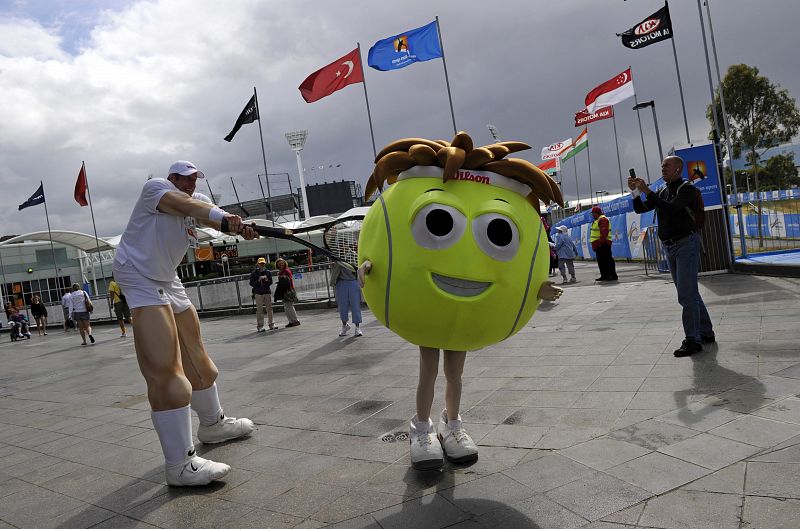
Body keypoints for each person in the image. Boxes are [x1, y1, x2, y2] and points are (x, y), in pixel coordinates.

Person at [112, 160, 257, 487]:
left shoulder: (197, 200)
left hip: (168, 277)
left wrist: (239, 226)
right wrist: (223, 218)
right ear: (172, 178)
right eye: (186, 178)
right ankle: (179, 464)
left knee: (197, 356)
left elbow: (211, 216)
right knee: (166, 368)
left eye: (195, 179)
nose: (191, 184)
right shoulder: (156, 190)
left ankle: (213, 424)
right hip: (138, 273)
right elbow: (186, 206)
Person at [629, 155, 715, 357]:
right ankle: (706, 332)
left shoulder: (686, 188)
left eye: (667, 165)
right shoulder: (663, 190)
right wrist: (635, 192)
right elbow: (641, 208)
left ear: (678, 168)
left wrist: (647, 190)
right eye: (662, 166)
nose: (663, 168)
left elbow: (671, 208)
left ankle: (693, 340)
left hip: (686, 244)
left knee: (686, 294)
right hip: (670, 246)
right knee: (689, 292)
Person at [330, 262, 362, 337]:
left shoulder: (352, 257)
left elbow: (359, 266)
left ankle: (357, 327)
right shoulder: (336, 257)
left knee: (355, 305)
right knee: (342, 306)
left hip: (353, 281)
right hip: (340, 282)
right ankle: (345, 326)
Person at [590, 205, 618, 281]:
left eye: (593, 213)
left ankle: (612, 275)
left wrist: (600, 243)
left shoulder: (602, 219)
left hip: (603, 244)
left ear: (596, 213)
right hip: (600, 244)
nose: (592, 215)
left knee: (607, 260)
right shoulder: (598, 220)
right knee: (602, 261)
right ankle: (604, 275)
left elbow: (604, 232)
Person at [249, 257, 275, 332]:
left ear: (265, 264)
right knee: (259, 310)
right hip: (258, 293)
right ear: (257, 264)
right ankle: (260, 326)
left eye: (263, 263)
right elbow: (251, 283)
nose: (262, 265)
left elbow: (270, 282)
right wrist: (258, 280)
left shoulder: (268, 272)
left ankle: (271, 324)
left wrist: (266, 280)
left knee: (269, 309)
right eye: (260, 263)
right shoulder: (254, 273)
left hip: (267, 292)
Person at [274, 258, 300, 327]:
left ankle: (295, 320)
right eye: (279, 264)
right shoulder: (281, 272)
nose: (281, 265)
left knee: (289, 306)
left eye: (282, 263)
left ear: (284, 263)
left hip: (289, 290)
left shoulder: (286, 271)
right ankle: (291, 321)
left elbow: (288, 280)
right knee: (286, 307)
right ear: (277, 265)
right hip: (284, 290)